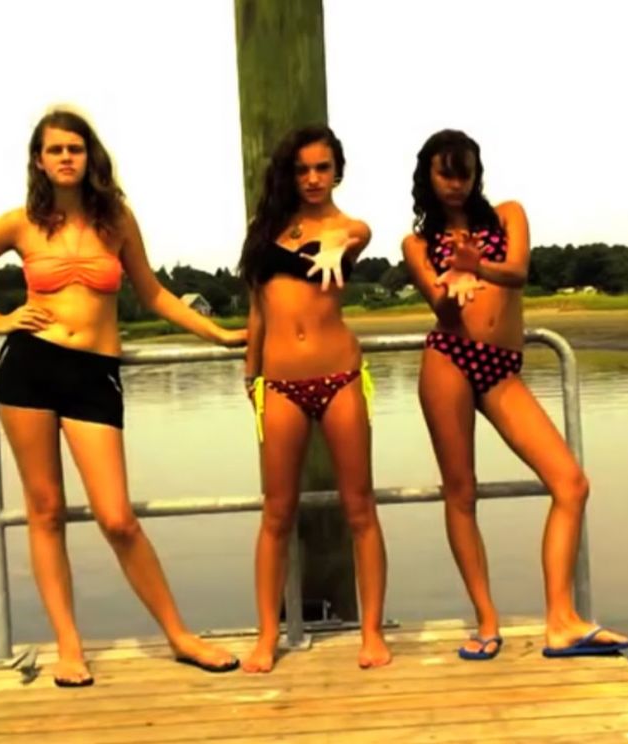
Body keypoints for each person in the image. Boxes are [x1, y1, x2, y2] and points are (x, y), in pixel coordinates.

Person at [0, 109, 246, 686]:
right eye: (55, 150)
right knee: (45, 511)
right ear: (38, 161)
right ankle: (69, 646)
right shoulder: (20, 224)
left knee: (118, 517)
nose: (65, 158)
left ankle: (180, 636)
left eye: (74, 149)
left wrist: (220, 334)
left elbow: (154, 294)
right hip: (29, 369)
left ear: (90, 156)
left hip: (94, 373)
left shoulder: (116, 220)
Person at [402, 129, 628, 660]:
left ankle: (561, 620)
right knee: (461, 493)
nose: (457, 183)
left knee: (571, 483)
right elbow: (441, 308)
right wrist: (450, 284)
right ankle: (487, 621)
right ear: (428, 178)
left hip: (502, 367)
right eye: (445, 173)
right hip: (448, 359)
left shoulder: (507, 215)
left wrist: (473, 265)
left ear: (476, 174)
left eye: (464, 172)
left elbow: (517, 273)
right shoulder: (416, 244)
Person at [238, 125, 390, 673]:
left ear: (337, 172)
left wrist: (336, 240)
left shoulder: (346, 229)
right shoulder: (266, 231)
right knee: (276, 513)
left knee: (359, 507)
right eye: (302, 169)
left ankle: (371, 632)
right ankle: (266, 636)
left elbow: (362, 231)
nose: (312, 178)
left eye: (322, 168)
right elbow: (258, 310)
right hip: (280, 384)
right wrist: (251, 371)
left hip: (340, 376)